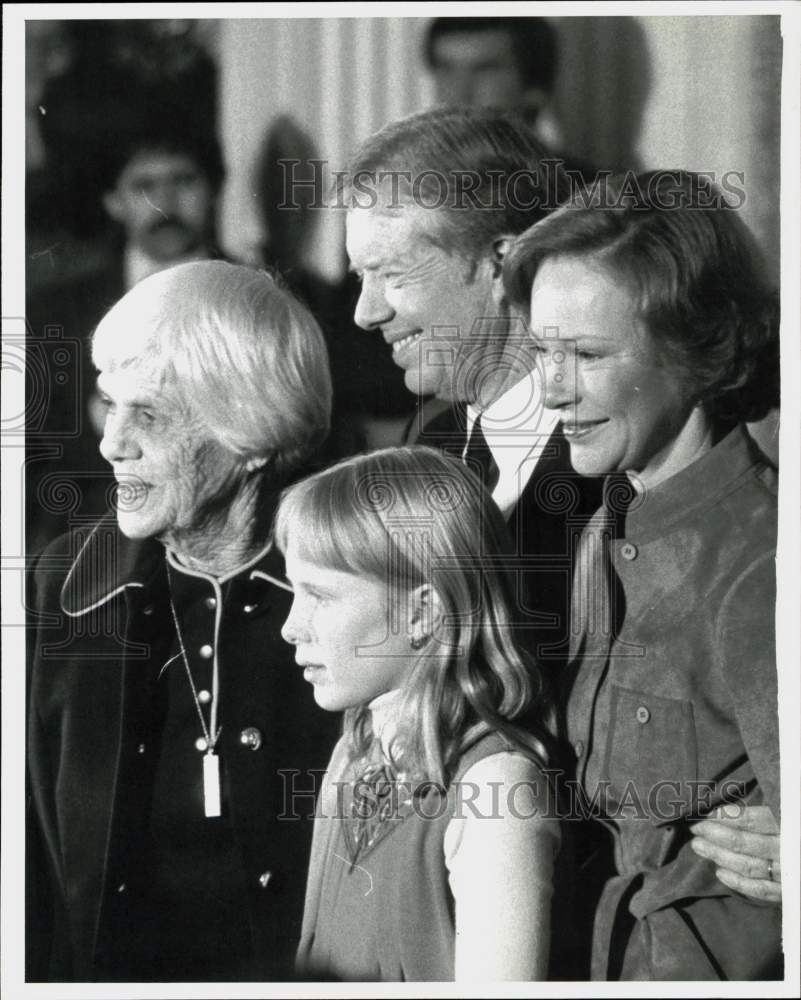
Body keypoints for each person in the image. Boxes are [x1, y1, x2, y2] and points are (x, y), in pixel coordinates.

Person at [26, 260, 341, 981]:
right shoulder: (62, 590)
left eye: (150, 414)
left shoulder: (356, 587)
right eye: (111, 405)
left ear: (252, 436)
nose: (112, 443)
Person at [502, 169, 782, 979]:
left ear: (700, 352)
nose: (551, 392)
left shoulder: (759, 567)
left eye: (587, 355)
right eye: (541, 353)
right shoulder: (601, 526)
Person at [276, 446, 561, 982]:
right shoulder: (353, 753)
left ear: (423, 611)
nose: (291, 627)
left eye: (320, 596)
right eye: (296, 591)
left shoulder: (495, 788)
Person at [343, 107, 602, 681]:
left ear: (500, 264)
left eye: (391, 274)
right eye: (360, 277)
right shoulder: (429, 445)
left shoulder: (614, 458)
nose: (366, 312)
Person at [26, 120, 231, 556]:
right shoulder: (52, 314)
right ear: (113, 201)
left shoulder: (255, 298)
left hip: (222, 534)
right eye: (145, 186)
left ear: (213, 190)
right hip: (84, 547)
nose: (166, 204)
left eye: (184, 180)